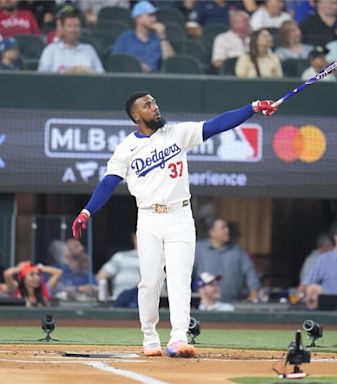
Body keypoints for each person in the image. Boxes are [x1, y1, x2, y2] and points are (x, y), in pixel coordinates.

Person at [71, 91, 278, 358]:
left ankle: (178, 338)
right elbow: (109, 181)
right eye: (147, 105)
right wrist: (87, 211)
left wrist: (253, 107)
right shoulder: (126, 148)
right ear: (136, 116)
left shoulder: (177, 133)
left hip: (180, 215)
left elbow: (217, 124)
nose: (154, 107)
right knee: (150, 281)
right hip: (148, 217)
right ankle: (149, 337)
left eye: (154, 102)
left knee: (180, 279)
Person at [194, 217, 260, 303]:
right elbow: (186, 274)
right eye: (223, 227)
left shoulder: (238, 251)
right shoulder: (199, 250)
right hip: (205, 306)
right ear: (212, 232)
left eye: (227, 227)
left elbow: (250, 273)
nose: (227, 230)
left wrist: (254, 292)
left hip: (233, 304)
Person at [111, 1, 174, 73]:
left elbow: (170, 62)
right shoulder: (124, 38)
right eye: (150, 15)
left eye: (154, 15)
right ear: (138, 18)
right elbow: (115, 61)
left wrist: (163, 37)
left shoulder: (157, 39)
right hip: (128, 79)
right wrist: (136, 65)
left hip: (153, 80)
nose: (154, 19)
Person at [37, 9, 104, 74]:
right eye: (69, 26)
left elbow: (102, 76)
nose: (73, 29)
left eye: (76, 26)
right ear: (63, 29)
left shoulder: (89, 50)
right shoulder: (51, 50)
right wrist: (67, 71)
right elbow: (42, 76)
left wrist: (87, 72)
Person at [96, 232, 140, 300]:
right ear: (134, 237)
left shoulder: (154, 259)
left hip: (143, 303)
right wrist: (105, 299)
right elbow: (101, 276)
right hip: (119, 303)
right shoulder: (121, 257)